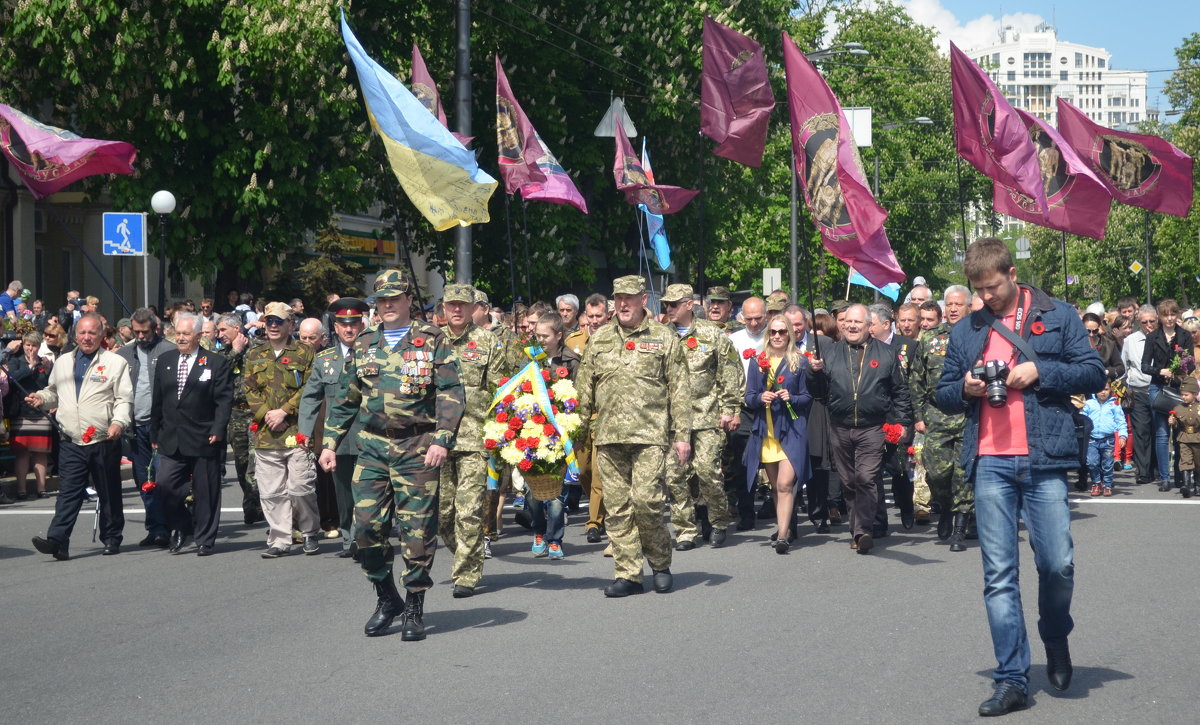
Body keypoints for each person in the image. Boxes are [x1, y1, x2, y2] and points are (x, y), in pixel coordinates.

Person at [934, 237, 1104, 717]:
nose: (984, 298)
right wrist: (965, 388)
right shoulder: (967, 329)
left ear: (1011, 272)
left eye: (991, 288)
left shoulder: (1058, 314)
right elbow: (941, 392)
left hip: (1044, 457)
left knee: (1057, 564)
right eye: (977, 290)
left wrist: (1039, 370)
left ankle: (1055, 636)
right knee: (999, 575)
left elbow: (1093, 373)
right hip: (989, 461)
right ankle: (1011, 678)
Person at [319, 269, 465, 641]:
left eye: (394, 299)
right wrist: (329, 443)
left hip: (416, 448)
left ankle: (415, 604)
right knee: (365, 528)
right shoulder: (365, 343)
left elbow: (450, 392)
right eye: (381, 299)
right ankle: (387, 597)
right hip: (371, 448)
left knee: (417, 531)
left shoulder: (432, 341)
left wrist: (441, 439)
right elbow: (346, 398)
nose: (387, 305)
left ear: (407, 301)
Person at [576, 275, 691, 598]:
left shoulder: (663, 338)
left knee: (646, 502)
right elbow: (584, 388)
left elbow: (679, 390)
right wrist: (576, 431)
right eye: (618, 298)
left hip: (650, 436)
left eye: (629, 298)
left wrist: (682, 435)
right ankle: (628, 572)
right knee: (618, 507)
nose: (623, 304)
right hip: (609, 437)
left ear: (644, 300)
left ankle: (660, 563)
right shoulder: (599, 340)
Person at [809, 303, 911, 555]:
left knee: (866, 478)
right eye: (848, 322)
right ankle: (857, 528)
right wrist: (814, 373)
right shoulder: (830, 353)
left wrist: (904, 423)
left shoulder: (886, 354)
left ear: (869, 326)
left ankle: (863, 530)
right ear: (842, 325)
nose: (852, 326)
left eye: (858, 322)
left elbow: (900, 392)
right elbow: (819, 393)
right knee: (849, 481)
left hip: (873, 427)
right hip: (840, 426)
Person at [29, 314, 133, 560]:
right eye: (83, 333)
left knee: (108, 491)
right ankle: (57, 540)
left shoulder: (114, 362)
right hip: (72, 440)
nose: (87, 338)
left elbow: (124, 398)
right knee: (69, 492)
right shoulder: (64, 361)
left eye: (92, 333)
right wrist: (41, 398)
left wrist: (119, 422)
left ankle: (111, 537)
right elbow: (54, 393)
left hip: (103, 437)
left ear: (101, 335)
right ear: (75, 335)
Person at [660, 284, 743, 551]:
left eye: (674, 304)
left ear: (689, 304)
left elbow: (729, 372)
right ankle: (686, 529)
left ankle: (718, 521)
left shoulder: (712, 334)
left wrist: (730, 409)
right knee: (676, 476)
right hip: (672, 420)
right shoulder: (661, 336)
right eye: (666, 305)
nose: (669, 309)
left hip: (706, 415)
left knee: (708, 471)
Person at [437, 284, 504, 592]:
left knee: (468, 510)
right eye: (451, 304)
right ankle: (471, 553)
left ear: (473, 307)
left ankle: (466, 574)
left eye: (463, 304)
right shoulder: (430, 341)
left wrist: (499, 431)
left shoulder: (488, 342)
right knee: (442, 514)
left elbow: (498, 391)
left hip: (473, 438)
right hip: (436, 440)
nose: (456, 310)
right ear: (443, 307)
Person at [149, 314, 233, 556]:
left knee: (206, 491)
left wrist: (218, 429)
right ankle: (183, 525)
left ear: (198, 335)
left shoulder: (215, 363)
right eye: (178, 333)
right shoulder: (165, 360)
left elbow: (223, 401)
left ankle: (205, 539)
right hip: (171, 436)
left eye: (186, 334)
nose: (181, 338)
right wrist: (154, 430)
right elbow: (158, 400)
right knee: (164, 485)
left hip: (203, 436)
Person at [243, 302, 320, 558]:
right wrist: (268, 414)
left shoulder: (305, 352)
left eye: (278, 321)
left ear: (291, 325)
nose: (273, 326)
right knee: (271, 493)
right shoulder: (255, 354)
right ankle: (279, 539)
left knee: (300, 488)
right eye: (269, 321)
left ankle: (309, 532)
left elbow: (310, 388)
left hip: (297, 432)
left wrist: (284, 411)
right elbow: (249, 390)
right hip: (267, 434)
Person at [299, 298, 370, 559]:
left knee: (369, 489)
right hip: (337, 438)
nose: (349, 329)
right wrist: (304, 432)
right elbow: (311, 396)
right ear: (335, 327)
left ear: (361, 325)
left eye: (353, 323)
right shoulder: (324, 360)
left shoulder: (374, 353)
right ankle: (348, 537)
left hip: (369, 434)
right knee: (343, 492)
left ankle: (366, 537)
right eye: (343, 324)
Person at [744, 314, 812, 553]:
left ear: (789, 335)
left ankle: (783, 535)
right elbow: (748, 396)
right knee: (775, 487)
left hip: (792, 431)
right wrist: (760, 397)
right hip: (767, 432)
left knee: (785, 484)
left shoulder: (800, 362)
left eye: (782, 332)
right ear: (767, 334)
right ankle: (785, 527)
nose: (777, 336)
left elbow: (807, 397)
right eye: (773, 332)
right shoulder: (757, 361)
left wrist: (791, 397)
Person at [912, 287, 974, 547]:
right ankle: (946, 505)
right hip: (937, 415)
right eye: (949, 304)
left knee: (963, 472)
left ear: (969, 307)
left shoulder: (978, 336)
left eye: (958, 304)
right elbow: (916, 377)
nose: (952, 309)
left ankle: (960, 525)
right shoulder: (930, 338)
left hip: (969, 414)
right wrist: (918, 414)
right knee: (937, 473)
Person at [116, 308, 177, 548]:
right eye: (136, 332)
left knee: (162, 478)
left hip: (162, 426)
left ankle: (171, 524)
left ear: (155, 328)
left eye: (145, 332)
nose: (140, 336)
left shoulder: (169, 350)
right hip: (135, 427)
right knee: (143, 479)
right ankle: (155, 527)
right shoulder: (123, 353)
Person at [525, 309, 581, 560]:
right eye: (536, 335)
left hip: (560, 434)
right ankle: (538, 531)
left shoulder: (571, 362)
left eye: (544, 336)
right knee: (532, 491)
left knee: (557, 492)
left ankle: (555, 538)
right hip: (531, 432)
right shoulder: (529, 359)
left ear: (559, 335)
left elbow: (579, 397)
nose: (539, 340)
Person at [868, 303, 921, 534]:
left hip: (900, 415)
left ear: (886, 324)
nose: (867, 328)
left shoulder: (909, 347)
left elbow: (916, 384)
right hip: (875, 417)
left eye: (871, 324)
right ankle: (879, 520)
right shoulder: (866, 347)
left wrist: (910, 419)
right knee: (874, 470)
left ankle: (906, 506)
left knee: (899, 468)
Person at [215, 314, 264, 524]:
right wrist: (235, 352)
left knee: (256, 463)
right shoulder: (223, 354)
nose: (220, 335)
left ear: (237, 329)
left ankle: (255, 506)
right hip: (234, 414)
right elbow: (218, 374)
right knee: (242, 462)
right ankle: (251, 502)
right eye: (218, 331)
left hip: (255, 412)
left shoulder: (257, 350)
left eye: (224, 330)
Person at [726, 296, 767, 529]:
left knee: (774, 460)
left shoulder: (776, 335)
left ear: (766, 315)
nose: (753, 324)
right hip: (743, 406)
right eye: (749, 319)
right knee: (743, 461)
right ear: (742, 317)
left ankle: (779, 508)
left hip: (771, 405)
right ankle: (746, 512)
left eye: (758, 319)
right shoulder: (734, 340)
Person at [2, 334, 54, 499]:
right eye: (28, 345)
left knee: (41, 452)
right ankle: (22, 489)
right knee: (22, 452)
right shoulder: (16, 361)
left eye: (34, 346)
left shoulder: (44, 361)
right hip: (21, 411)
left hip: (40, 411)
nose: (31, 349)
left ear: (39, 346)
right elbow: (12, 380)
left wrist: (47, 371)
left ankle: (41, 488)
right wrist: (30, 366)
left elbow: (47, 385)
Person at [1141, 298, 1184, 491]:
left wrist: (1179, 369)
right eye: (1166, 315)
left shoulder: (1184, 336)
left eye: (1172, 314)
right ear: (1160, 316)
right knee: (1161, 432)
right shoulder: (1153, 337)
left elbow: (1190, 363)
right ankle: (1165, 478)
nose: (1169, 318)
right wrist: (1160, 371)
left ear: (1177, 315)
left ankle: (1180, 476)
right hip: (1157, 387)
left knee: (1179, 433)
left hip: (1178, 387)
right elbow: (1144, 366)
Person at [1082, 383, 1126, 498]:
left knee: (1107, 464)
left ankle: (1107, 484)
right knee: (1091, 462)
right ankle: (1096, 482)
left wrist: (1122, 436)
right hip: (1092, 438)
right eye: (1100, 389)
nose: (1103, 392)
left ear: (1110, 389)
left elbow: (1121, 421)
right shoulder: (1089, 403)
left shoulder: (1114, 404)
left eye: (1106, 389)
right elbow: (1083, 418)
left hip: (1108, 439)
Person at [1171, 377, 1200, 498]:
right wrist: (1173, 422)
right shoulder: (1178, 408)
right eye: (1182, 395)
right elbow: (1178, 424)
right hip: (1184, 438)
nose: (1183, 397)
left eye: (1186, 395)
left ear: (1195, 394)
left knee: (1198, 463)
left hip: (1198, 438)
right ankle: (1187, 486)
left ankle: (1198, 486)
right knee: (1185, 461)